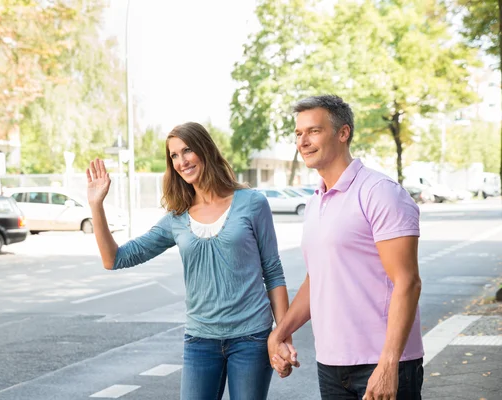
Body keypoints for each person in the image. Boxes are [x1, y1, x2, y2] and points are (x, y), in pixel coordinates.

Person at [86, 122, 296, 400]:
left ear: (205, 150)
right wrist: (96, 206)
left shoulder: (252, 203)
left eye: (187, 150)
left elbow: (273, 272)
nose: (181, 161)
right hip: (200, 341)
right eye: (173, 155)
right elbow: (114, 259)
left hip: (251, 338)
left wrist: (281, 336)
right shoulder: (177, 218)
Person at [268, 95, 424, 400]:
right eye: (298, 133)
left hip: (382, 362)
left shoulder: (380, 193)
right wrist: (280, 330)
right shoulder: (315, 202)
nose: (303, 141)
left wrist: (388, 364)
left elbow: (408, 282)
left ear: (343, 133)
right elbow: (319, 278)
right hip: (331, 364)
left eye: (313, 131)